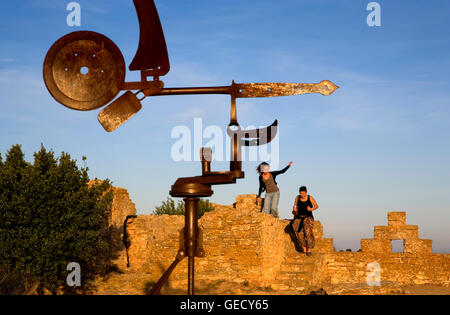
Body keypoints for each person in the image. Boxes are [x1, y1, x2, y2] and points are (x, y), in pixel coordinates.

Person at [292, 186, 318, 256]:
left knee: (307, 232)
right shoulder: (297, 197)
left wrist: (311, 209)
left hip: (308, 217)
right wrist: (294, 210)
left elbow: (316, 206)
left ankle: (309, 249)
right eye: (301, 193)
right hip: (299, 217)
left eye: (303, 193)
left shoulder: (310, 198)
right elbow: (295, 206)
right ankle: (304, 248)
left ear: (306, 192)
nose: (302, 195)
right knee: (299, 233)